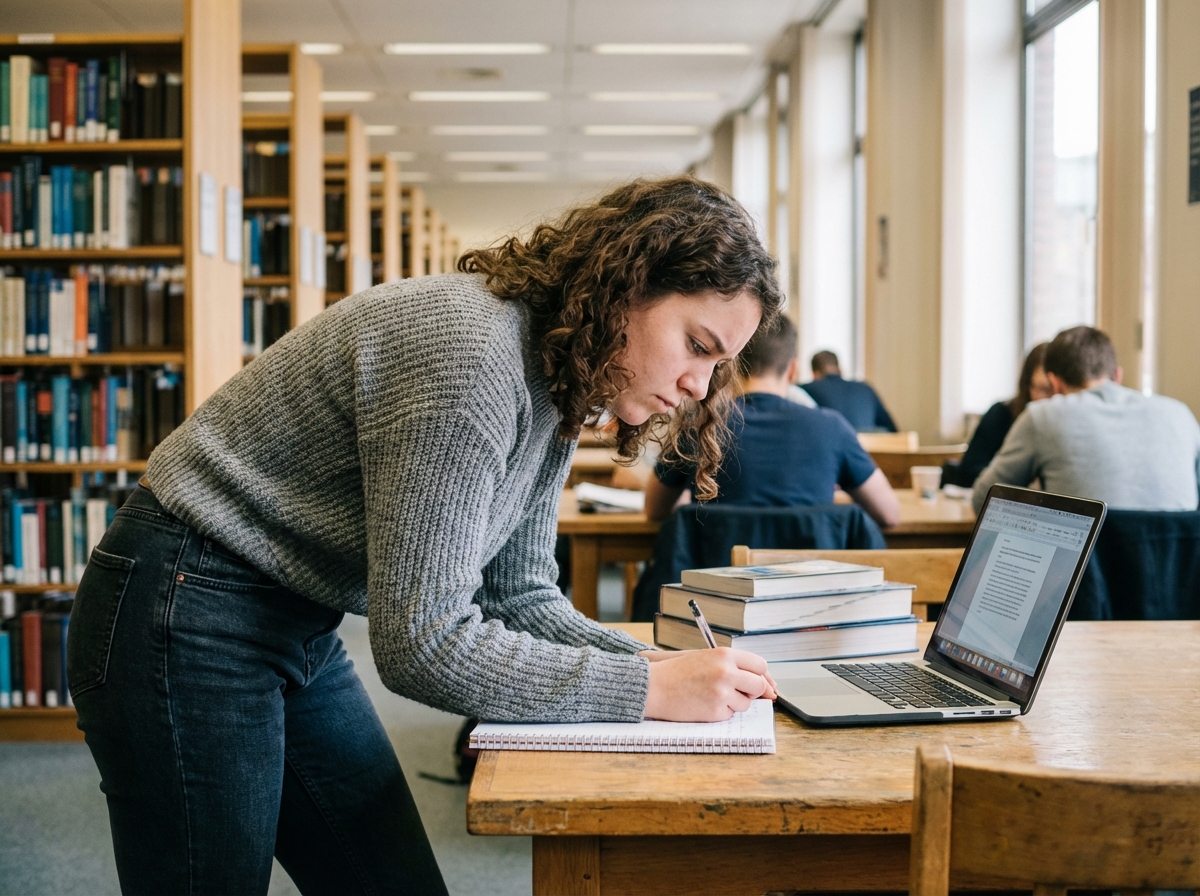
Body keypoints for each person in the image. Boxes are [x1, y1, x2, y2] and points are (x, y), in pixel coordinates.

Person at [65, 176, 785, 895]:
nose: (700, 384)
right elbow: (425, 645)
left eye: (718, 364)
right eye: (697, 344)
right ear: (628, 285)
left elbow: (520, 593)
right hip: (182, 605)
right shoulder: (472, 357)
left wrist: (664, 669)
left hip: (292, 614)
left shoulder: (563, 373)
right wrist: (646, 688)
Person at [646, 316, 900, 527]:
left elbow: (654, 509)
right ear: (792, 370)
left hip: (713, 583)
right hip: (807, 585)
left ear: (733, 365)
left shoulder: (698, 426)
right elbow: (889, 514)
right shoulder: (832, 428)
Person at [972, 326, 1200, 513]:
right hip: (1177, 567)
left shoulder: (1043, 416)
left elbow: (984, 499)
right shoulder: (1180, 414)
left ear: (1054, 382)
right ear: (1117, 376)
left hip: (1088, 568)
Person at [942, 343, 1052, 488]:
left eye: (1057, 390)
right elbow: (969, 470)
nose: (1051, 398)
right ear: (1027, 386)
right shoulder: (1001, 414)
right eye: (1044, 389)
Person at [801, 349, 898, 432]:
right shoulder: (865, 388)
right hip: (868, 451)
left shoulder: (804, 389)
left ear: (815, 374)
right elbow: (892, 429)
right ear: (839, 369)